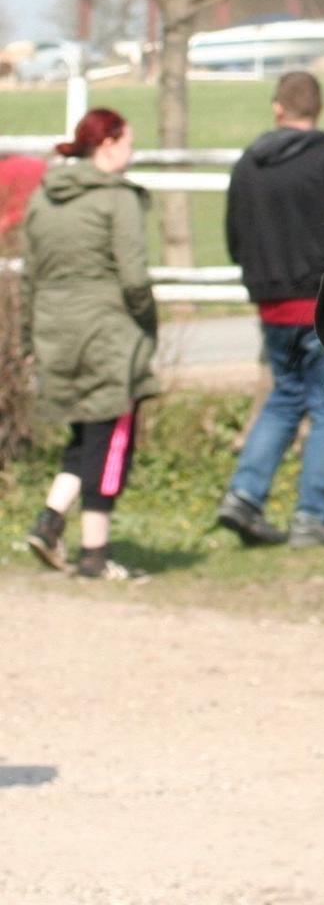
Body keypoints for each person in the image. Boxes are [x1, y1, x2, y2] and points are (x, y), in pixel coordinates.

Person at [216, 69, 324, 548]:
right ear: (317, 109)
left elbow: (234, 237)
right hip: (320, 306)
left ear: (277, 108)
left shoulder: (248, 164)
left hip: (271, 303)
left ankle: (244, 495)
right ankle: (315, 516)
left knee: (284, 398)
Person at [22, 109, 159, 581]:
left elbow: (30, 276)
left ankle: (50, 521)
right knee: (110, 439)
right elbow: (134, 277)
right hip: (108, 331)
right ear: (108, 144)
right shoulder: (117, 200)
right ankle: (95, 554)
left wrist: (27, 339)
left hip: (54, 330)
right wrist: (146, 322)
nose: (131, 153)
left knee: (85, 433)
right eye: (128, 143)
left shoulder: (44, 197)